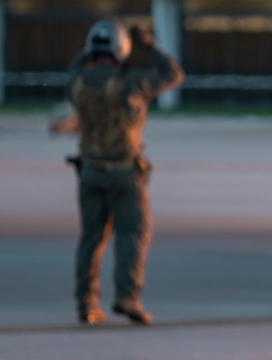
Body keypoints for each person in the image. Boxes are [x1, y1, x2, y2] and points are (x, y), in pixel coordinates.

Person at [66, 19, 184, 325]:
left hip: (89, 172)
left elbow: (78, 64)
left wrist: (90, 49)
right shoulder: (131, 83)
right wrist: (148, 45)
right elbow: (174, 74)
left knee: (91, 239)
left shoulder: (78, 79)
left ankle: (86, 303)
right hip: (124, 174)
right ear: (122, 49)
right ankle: (127, 297)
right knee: (132, 233)